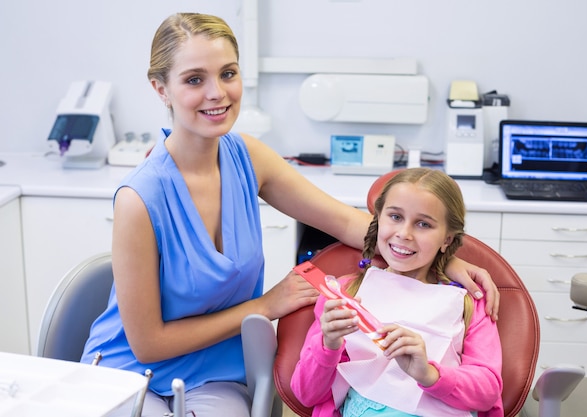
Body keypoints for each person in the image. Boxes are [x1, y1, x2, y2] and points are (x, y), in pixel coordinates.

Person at [79, 13, 500, 417]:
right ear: (160, 89)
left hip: (217, 374)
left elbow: (348, 223)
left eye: (228, 73)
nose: (217, 93)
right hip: (131, 370)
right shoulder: (140, 198)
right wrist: (265, 306)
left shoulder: (249, 158)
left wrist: (447, 259)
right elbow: (148, 344)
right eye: (194, 80)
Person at [291, 168, 504, 417]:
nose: (404, 234)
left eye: (423, 224)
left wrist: (429, 374)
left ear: (447, 239)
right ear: (378, 219)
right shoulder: (344, 295)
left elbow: (487, 392)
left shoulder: (470, 302)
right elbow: (306, 394)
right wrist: (328, 344)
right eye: (395, 217)